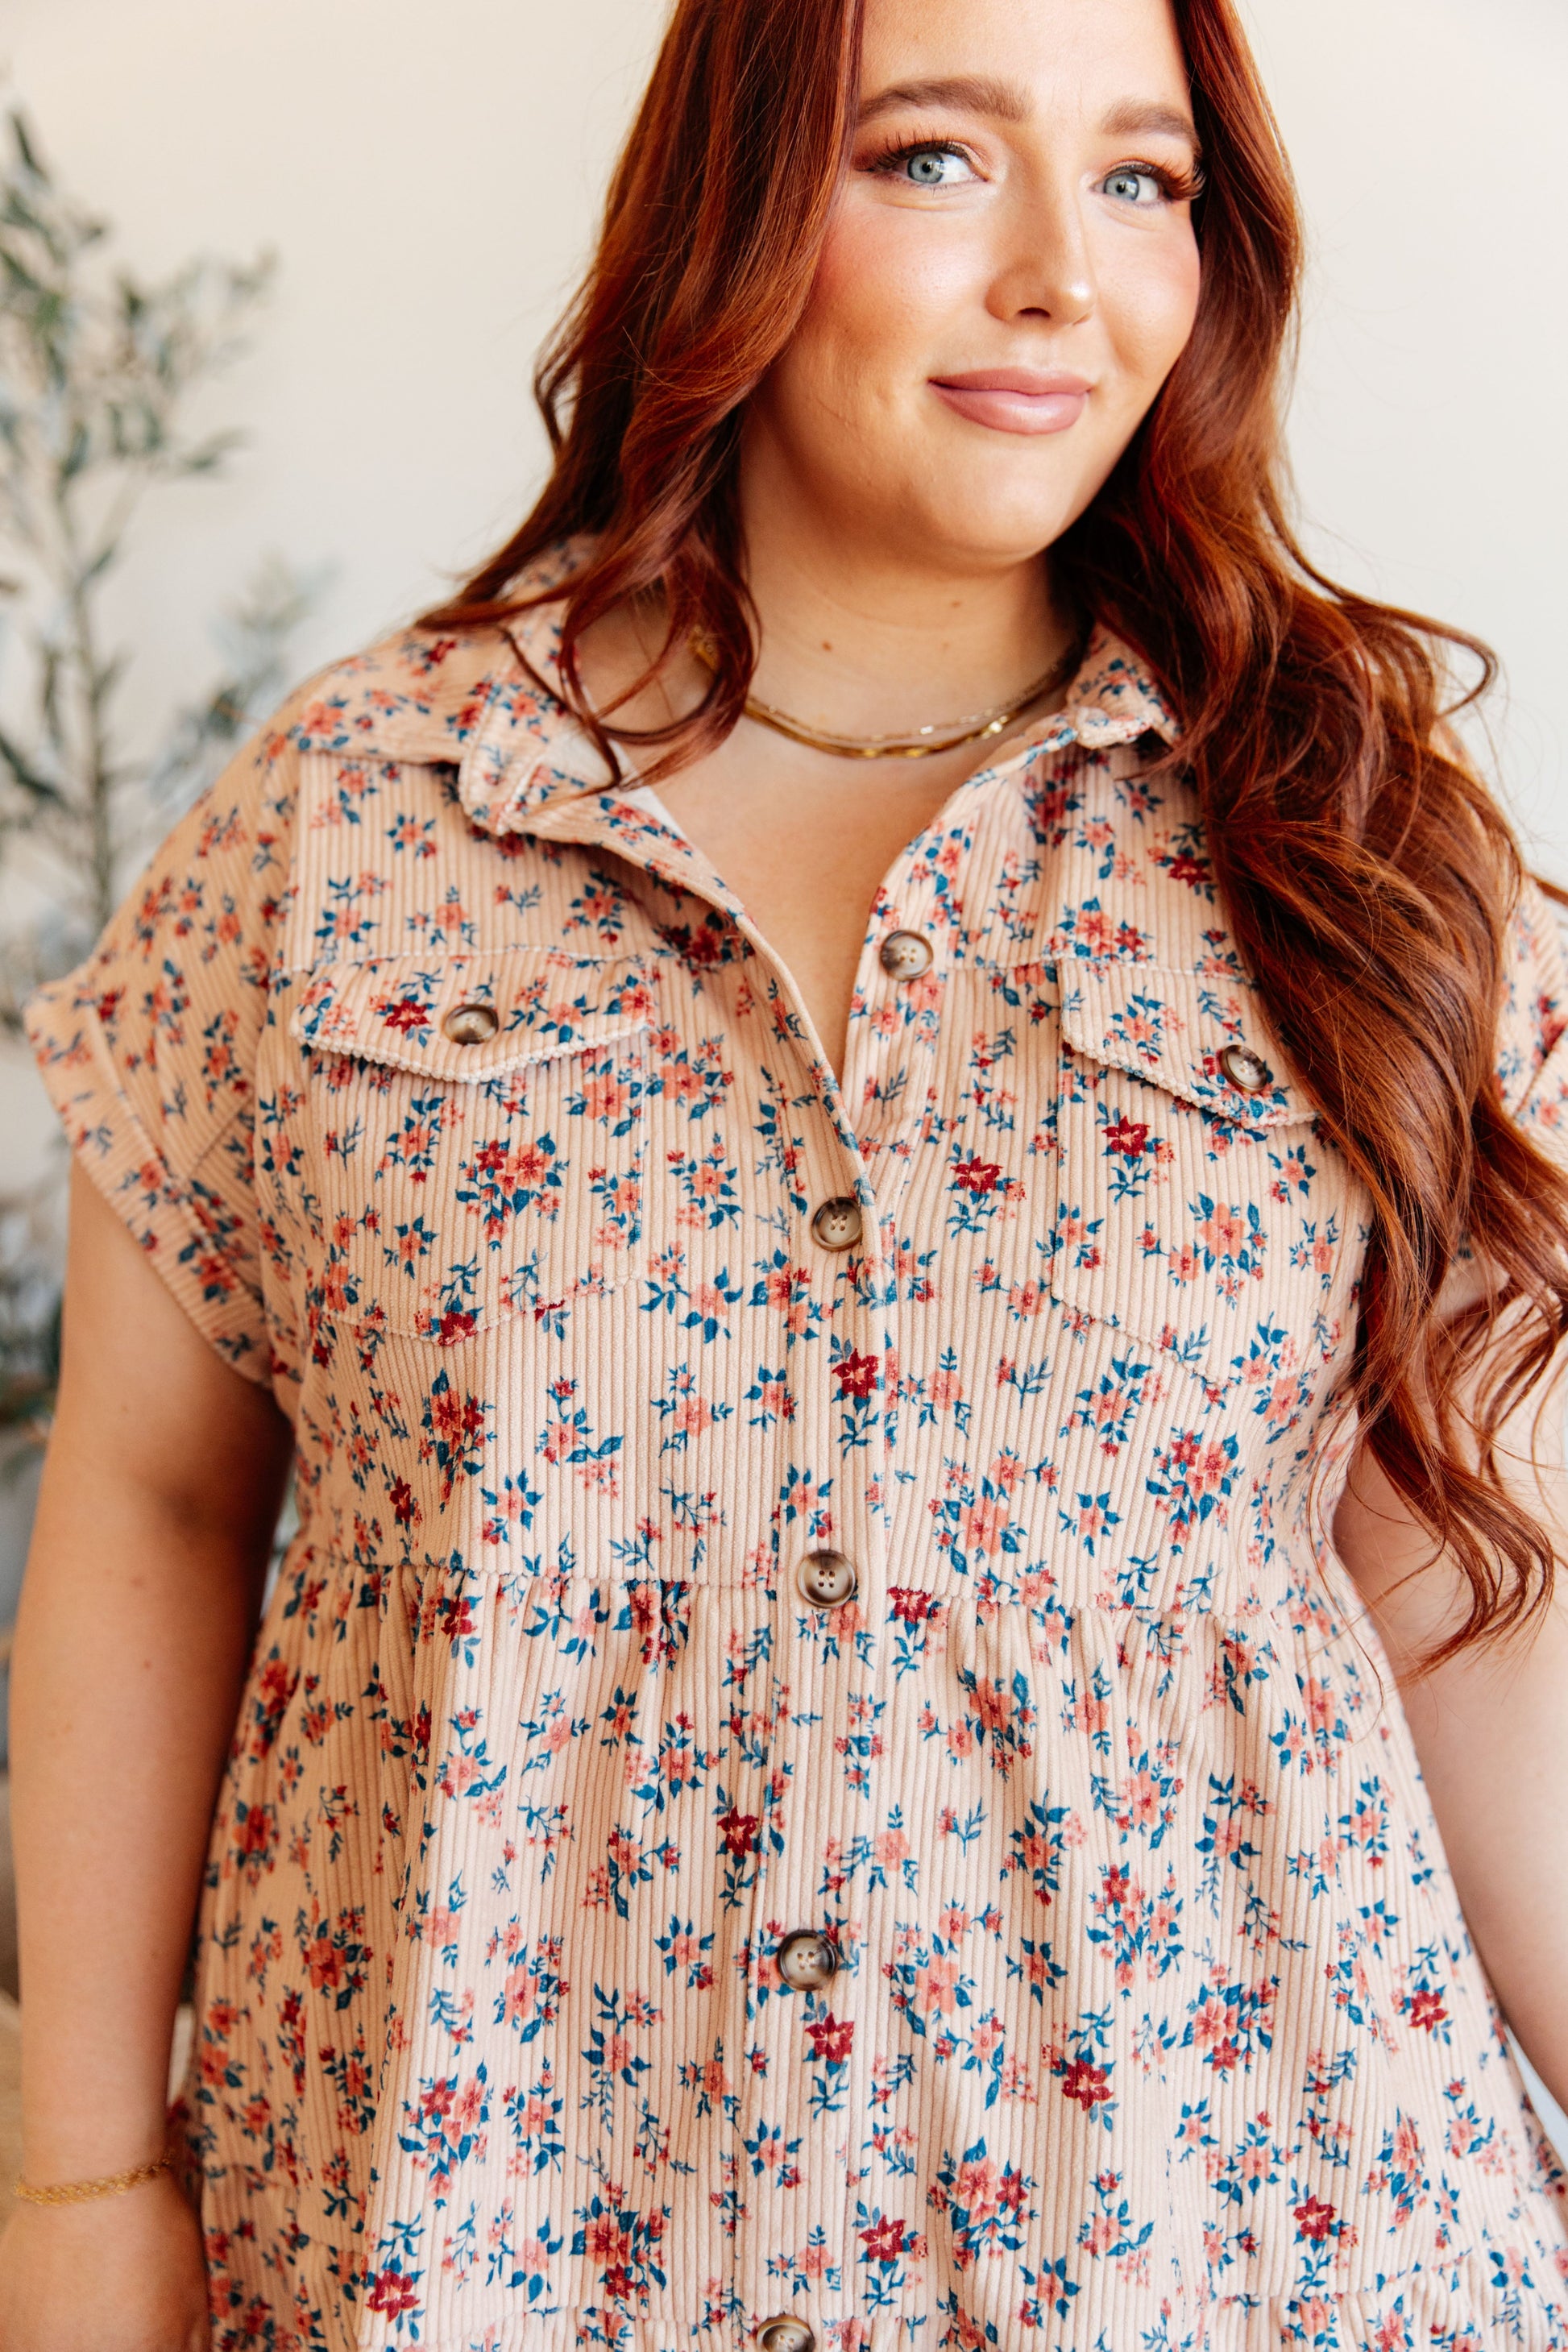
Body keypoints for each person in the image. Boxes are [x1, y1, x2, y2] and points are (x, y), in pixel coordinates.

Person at [2, 0, 1567, 2343]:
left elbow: (1473, 1594)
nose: (1062, 276)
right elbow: (150, 1505)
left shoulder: (1352, 849)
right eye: (934, 156)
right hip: (492, 2247)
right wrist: (79, 2181)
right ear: (728, 206)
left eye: (1142, 180)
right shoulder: (349, 827)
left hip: (1235, 2244)